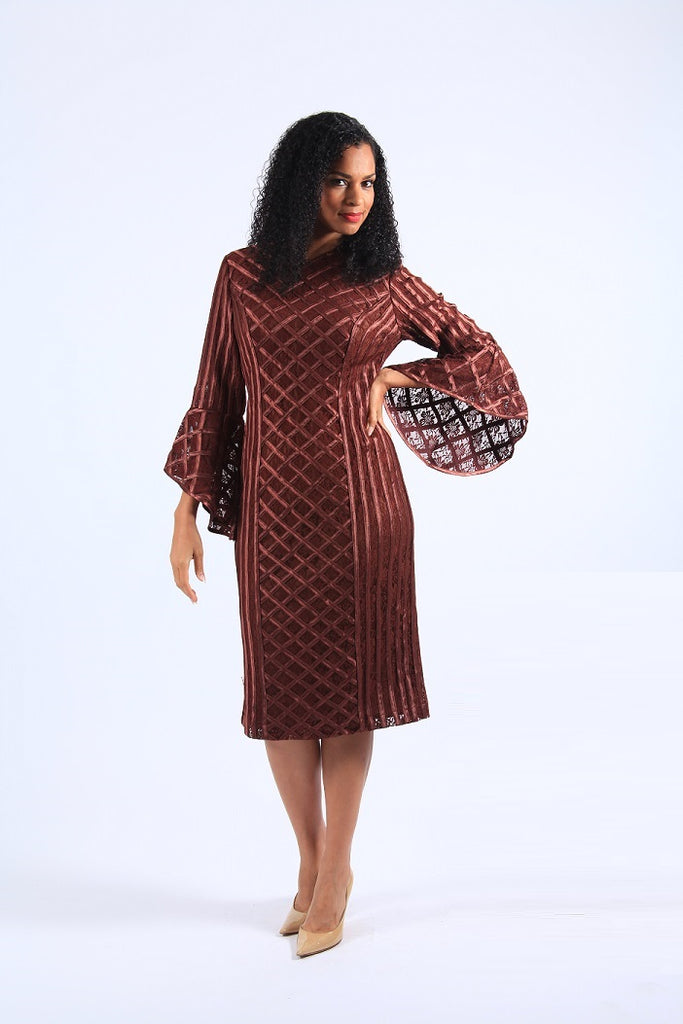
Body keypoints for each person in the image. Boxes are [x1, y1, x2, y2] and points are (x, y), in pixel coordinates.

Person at [163, 111, 528, 958]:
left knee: (348, 693)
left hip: (363, 512)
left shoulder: (384, 280)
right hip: (271, 514)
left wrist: (395, 375)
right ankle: (308, 858)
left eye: (366, 183)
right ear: (301, 182)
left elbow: (484, 357)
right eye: (337, 180)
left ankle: (335, 872)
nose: (354, 198)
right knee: (282, 697)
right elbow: (215, 392)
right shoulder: (242, 275)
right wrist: (185, 509)